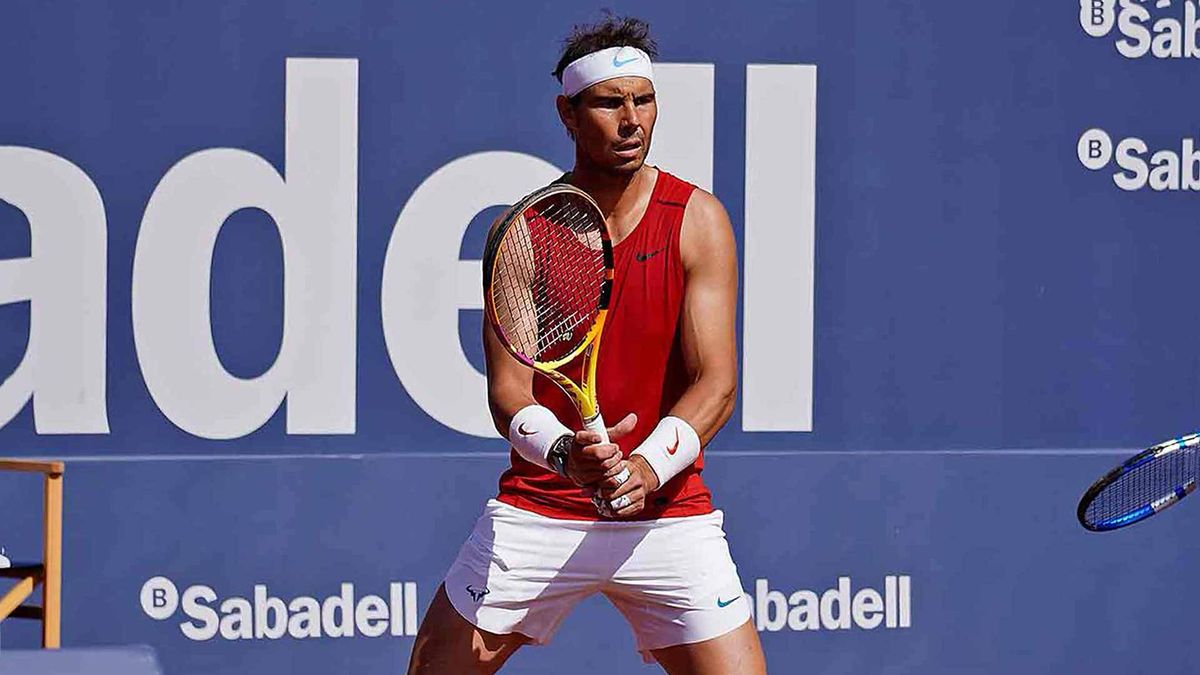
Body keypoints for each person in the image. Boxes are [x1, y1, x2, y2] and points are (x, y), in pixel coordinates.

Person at [408, 15, 767, 675]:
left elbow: (716, 382)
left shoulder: (698, 218)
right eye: (609, 102)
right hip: (542, 508)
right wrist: (566, 452)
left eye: (644, 99)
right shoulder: (523, 231)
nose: (631, 119)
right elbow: (509, 392)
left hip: (667, 513)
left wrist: (649, 466)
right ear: (568, 115)